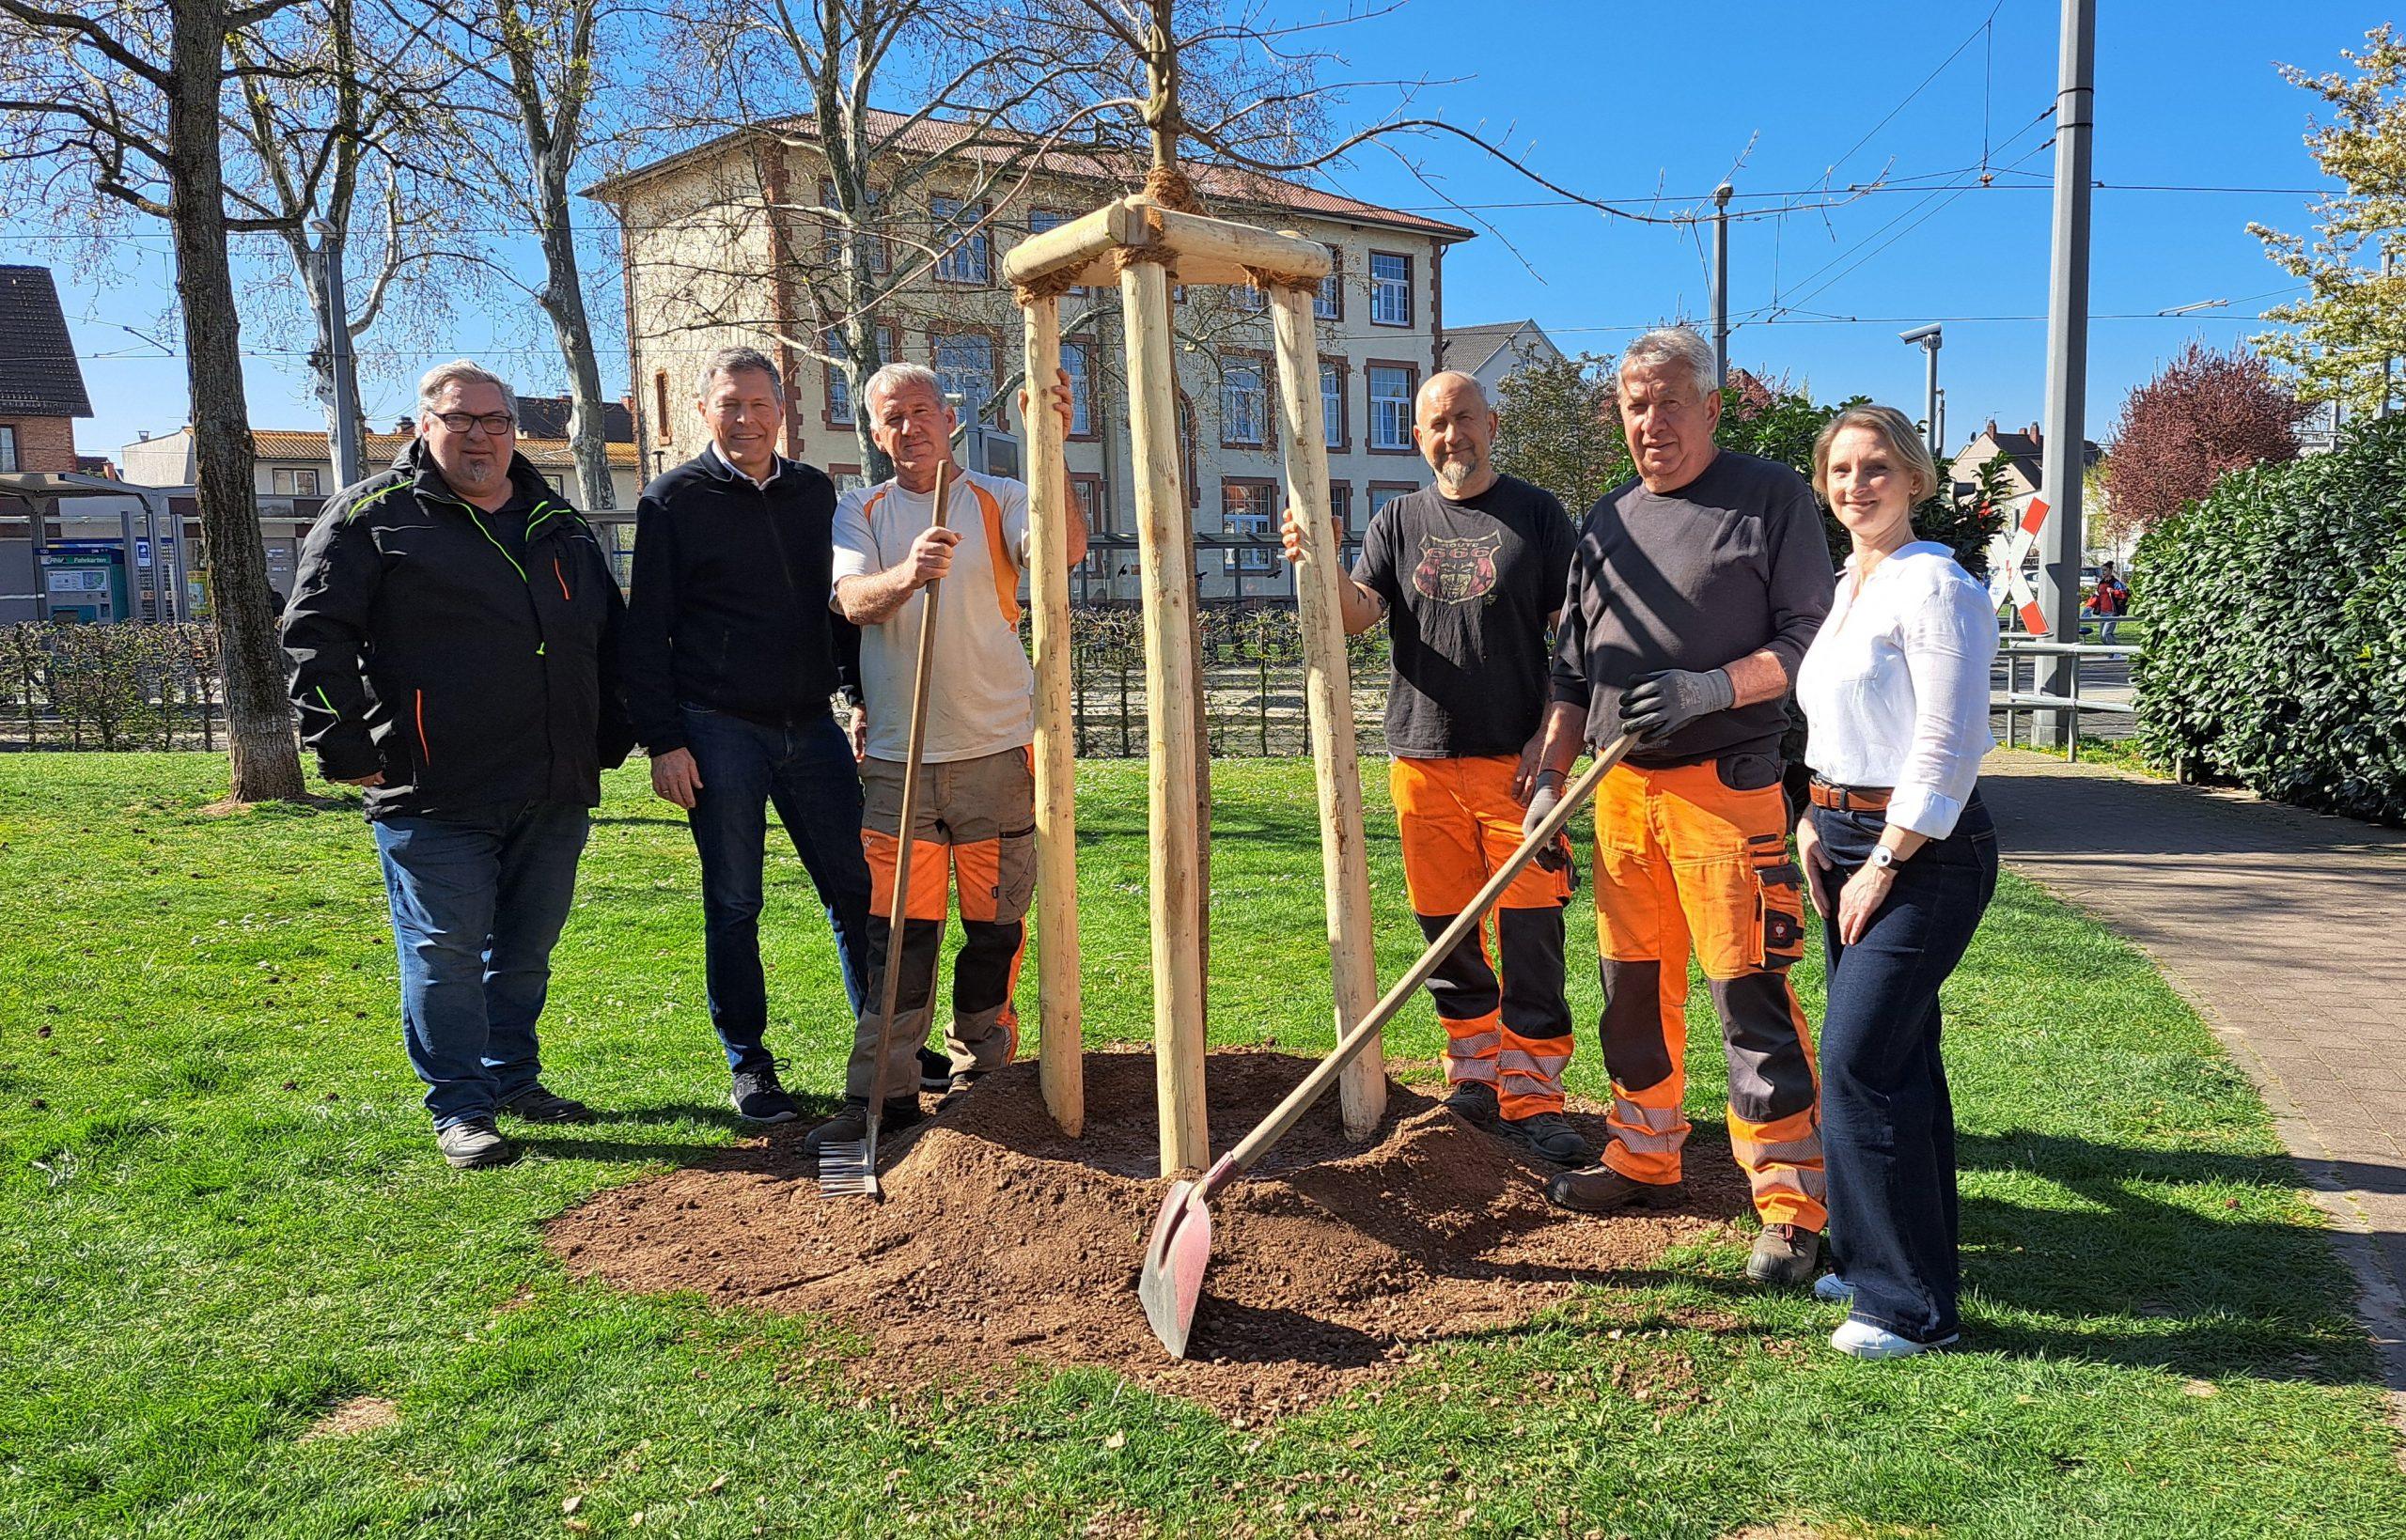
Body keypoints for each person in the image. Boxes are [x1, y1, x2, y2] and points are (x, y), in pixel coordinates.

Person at [1532, 326, 1835, 1287]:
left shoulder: (1771, 500)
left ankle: (1791, 1201)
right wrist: (1547, 778)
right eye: (1632, 401)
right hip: (1619, 795)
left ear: (1711, 406)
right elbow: (1571, 671)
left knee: (1748, 991)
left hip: (1724, 791)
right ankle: (1642, 1151)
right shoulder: (1606, 520)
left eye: (1668, 400)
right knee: (1631, 985)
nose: (1649, 420)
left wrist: (1714, 687)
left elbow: (1809, 638)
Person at [283, 360, 633, 1170]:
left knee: (524, 948)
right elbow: (313, 635)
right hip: (431, 786)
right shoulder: (371, 517)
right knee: (443, 951)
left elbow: (611, 639)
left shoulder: (559, 522)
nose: (480, 435)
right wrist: (343, 749)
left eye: (495, 420)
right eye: (460, 418)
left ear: (515, 429)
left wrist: (610, 734)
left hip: (551, 781)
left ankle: (513, 1078)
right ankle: (462, 1106)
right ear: (423, 426)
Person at [1278, 370, 1589, 1166]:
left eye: (1464, 419)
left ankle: (1536, 1096)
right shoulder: (1398, 520)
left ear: (1492, 422)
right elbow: (1353, 618)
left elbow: (1575, 645)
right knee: (1448, 938)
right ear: (1418, 439)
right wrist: (1315, 560)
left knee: (1530, 939)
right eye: (1436, 425)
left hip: (1515, 771)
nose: (1453, 436)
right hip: (1421, 761)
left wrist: (1550, 748)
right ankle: (1475, 1077)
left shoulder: (1536, 514)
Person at [803, 363, 1083, 1158]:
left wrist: (1050, 445)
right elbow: (852, 601)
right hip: (899, 761)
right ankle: (881, 1096)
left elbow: (1059, 554)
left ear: (949, 417)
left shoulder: (997, 495)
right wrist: (909, 572)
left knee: (993, 928)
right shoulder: (862, 508)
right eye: (892, 418)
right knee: (900, 935)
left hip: (995, 750)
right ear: (876, 431)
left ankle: (981, 1077)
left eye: (921, 412)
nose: (910, 428)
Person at [618, 346, 874, 1125]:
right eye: (731, 404)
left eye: (760, 403)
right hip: (718, 728)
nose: (747, 418)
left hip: (811, 726)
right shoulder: (671, 500)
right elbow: (643, 633)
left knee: (858, 891)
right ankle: (750, 1064)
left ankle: (883, 1048)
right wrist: (664, 741)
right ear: (705, 411)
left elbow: (841, 605)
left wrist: (859, 696)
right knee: (734, 901)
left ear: (782, 410)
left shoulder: (813, 495)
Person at [1793, 404, 1999, 1360]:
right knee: (1899, 1063)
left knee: (1858, 1060)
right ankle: (1878, 1259)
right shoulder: (1850, 583)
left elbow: (1947, 744)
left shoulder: (1936, 586)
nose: (1855, 485)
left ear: (1913, 477)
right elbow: (1837, 718)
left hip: (1921, 848)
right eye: (1839, 469)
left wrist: (1882, 859)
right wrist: (1812, 811)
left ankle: (1906, 1311)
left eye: (1875, 467)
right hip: (1838, 831)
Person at [2087, 562, 2130, 643]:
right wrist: (2090, 605)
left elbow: (2124, 595)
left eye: (2105, 570)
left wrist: (2113, 591)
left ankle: (2116, 653)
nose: (2103, 572)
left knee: (2106, 634)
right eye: (2102, 570)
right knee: (2102, 637)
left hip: (2112, 612)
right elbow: (2097, 596)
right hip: (2103, 612)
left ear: (2110, 570)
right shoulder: (2101, 583)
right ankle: (2112, 655)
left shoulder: (2116, 583)